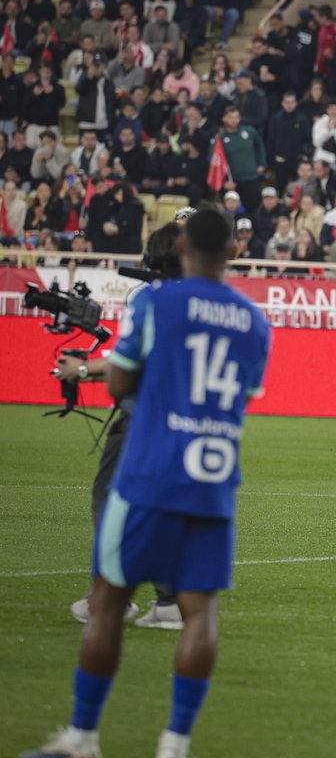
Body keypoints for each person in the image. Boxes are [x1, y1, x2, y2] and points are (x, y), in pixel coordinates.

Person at [23, 209, 270, 758]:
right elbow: (242, 396)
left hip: (151, 471)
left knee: (108, 600)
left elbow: (124, 379)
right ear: (233, 250)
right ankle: (175, 745)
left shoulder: (158, 302)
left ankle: (82, 737)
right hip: (212, 478)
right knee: (199, 612)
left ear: (181, 248)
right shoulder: (255, 322)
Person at [55, 212, 196, 632]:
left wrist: (80, 370)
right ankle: (168, 601)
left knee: (111, 501)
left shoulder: (147, 299)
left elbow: (126, 365)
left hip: (142, 415)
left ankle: (112, 599)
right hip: (185, 420)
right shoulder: (207, 298)